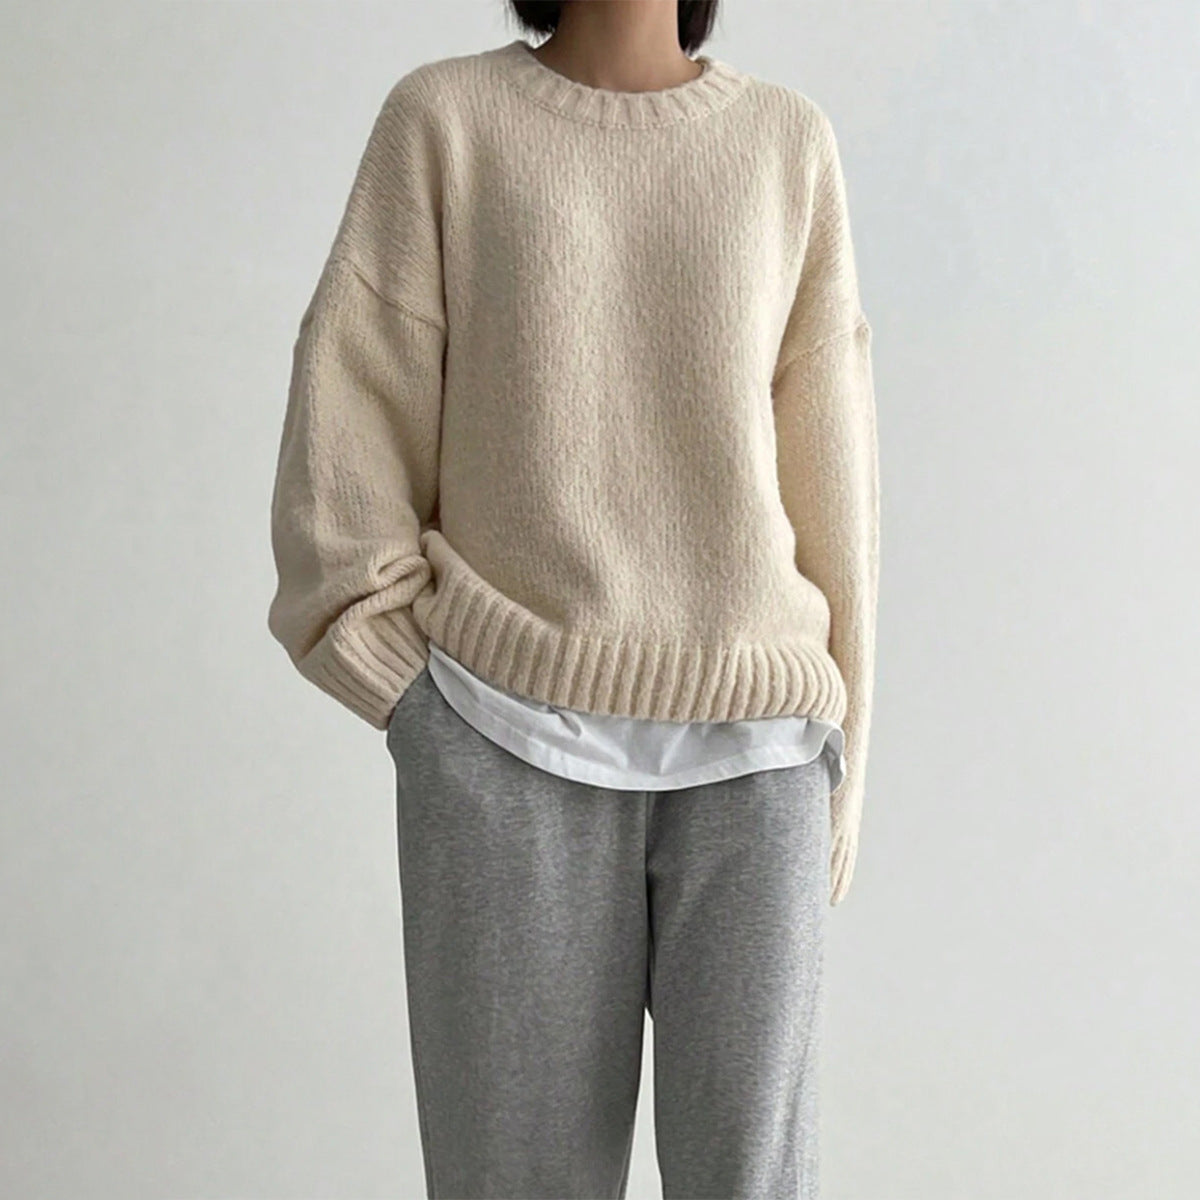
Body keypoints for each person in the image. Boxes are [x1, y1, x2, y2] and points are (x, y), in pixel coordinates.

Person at [267, 1, 880, 1195]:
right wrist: (422, 710)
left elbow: (836, 487)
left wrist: (843, 762)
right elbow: (344, 444)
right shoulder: (445, 122)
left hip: (758, 764)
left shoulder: (785, 142)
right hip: (503, 748)